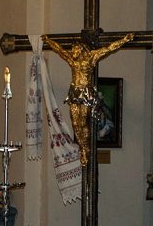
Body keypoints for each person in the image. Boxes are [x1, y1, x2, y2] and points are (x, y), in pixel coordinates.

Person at [42, 32, 134, 166]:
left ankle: (84, 150)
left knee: (83, 122)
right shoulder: (72, 60)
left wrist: (124, 39)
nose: (73, 51)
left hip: (85, 95)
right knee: (75, 123)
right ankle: (82, 147)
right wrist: (48, 41)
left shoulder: (91, 57)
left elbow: (109, 48)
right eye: (72, 49)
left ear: (81, 48)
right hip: (74, 94)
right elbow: (59, 50)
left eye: (75, 49)